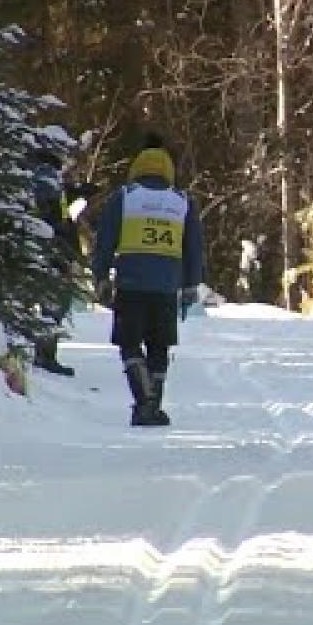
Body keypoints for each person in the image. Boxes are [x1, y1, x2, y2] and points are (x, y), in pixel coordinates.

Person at [92, 134, 206, 426]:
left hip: (130, 285)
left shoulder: (125, 197)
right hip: (166, 288)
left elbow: (104, 240)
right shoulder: (182, 202)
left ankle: (144, 400)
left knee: (130, 344)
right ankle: (152, 404)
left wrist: (101, 276)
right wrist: (191, 284)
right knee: (159, 346)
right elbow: (193, 247)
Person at [29, 148, 81, 377]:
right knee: (54, 302)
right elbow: (55, 216)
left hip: (45, 247)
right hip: (51, 250)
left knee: (50, 302)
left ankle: (43, 352)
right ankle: (45, 354)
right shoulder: (46, 177)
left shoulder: (39, 177)